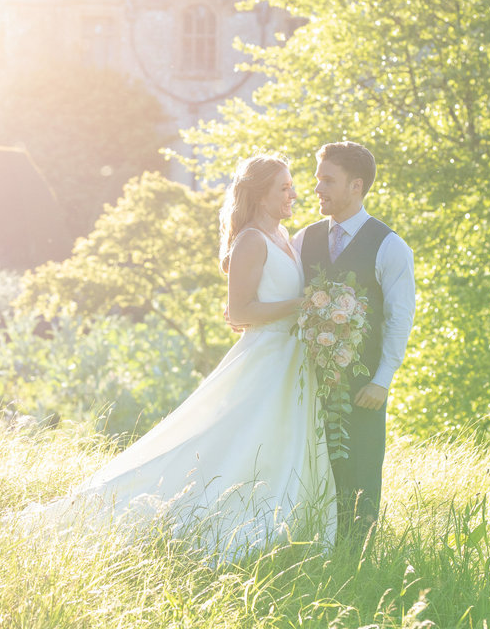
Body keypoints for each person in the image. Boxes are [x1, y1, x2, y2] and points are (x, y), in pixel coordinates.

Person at [20, 155, 335, 561]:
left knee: (278, 439)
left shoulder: (283, 234)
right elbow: (240, 312)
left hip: (291, 359)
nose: (294, 193)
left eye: (292, 186)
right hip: (266, 359)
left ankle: (291, 515)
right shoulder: (253, 240)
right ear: (259, 193)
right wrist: (303, 305)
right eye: (284, 187)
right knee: (235, 440)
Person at [291, 141, 415, 537]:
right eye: (317, 179)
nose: (317, 189)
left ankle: (356, 560)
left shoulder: (390, 246)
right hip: (304, 383)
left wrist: (382, 379)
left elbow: (400, 318)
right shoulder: (302, 240)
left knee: (360, 472)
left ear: (356, 185)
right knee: (307, 467)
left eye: (328, 180)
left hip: (364, 386)